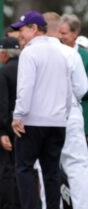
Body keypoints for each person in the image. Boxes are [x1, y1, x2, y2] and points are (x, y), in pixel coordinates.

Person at [11, 10, 72, 209]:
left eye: (23, 30)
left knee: (24, 168)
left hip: (33, 120)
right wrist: (63, 114)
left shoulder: (30, 52)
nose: (20, 34)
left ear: (35, 29)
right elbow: (67, 91)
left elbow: (25, 88)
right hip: (57, 122)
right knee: (52, 172)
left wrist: (18, 115)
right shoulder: (60, 52)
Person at [44, 12, 88, 209]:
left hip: (42, 115)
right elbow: (82, 88)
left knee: (46, 166)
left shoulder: (33, 53)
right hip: (70, 112)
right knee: (77, 165)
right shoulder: (72, 54)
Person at [0, 37, 23, 209]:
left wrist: (3, 130)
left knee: (6, 170)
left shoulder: (3, 71)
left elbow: (2, 105)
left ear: (3, 54)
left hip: (9, 126)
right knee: (24, 170)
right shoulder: (28, 68)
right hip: (27, 126)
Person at [59, 14, 88, 144]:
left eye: (64, 33)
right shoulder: (55, 53)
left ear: (75, 33)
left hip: (82, 116)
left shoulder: (85, 57)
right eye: (59, 33)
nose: (60, 37)